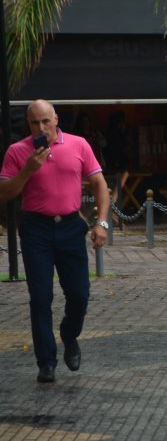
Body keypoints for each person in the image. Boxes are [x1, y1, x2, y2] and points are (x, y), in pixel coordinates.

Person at [0, 100, 110, 383]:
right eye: (35, 123)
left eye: (46, 121)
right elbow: (5, 193)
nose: (41, 128)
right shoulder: (17, 151)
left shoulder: (78, 144)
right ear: (28, 124)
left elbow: (100, 184)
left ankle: (69, 334)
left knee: (79, 294)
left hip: (71, 226)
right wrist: (27, 170)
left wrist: (101, 223)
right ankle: (46, 362)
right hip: (36, 228)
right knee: (40, 297)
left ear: (56, 119)